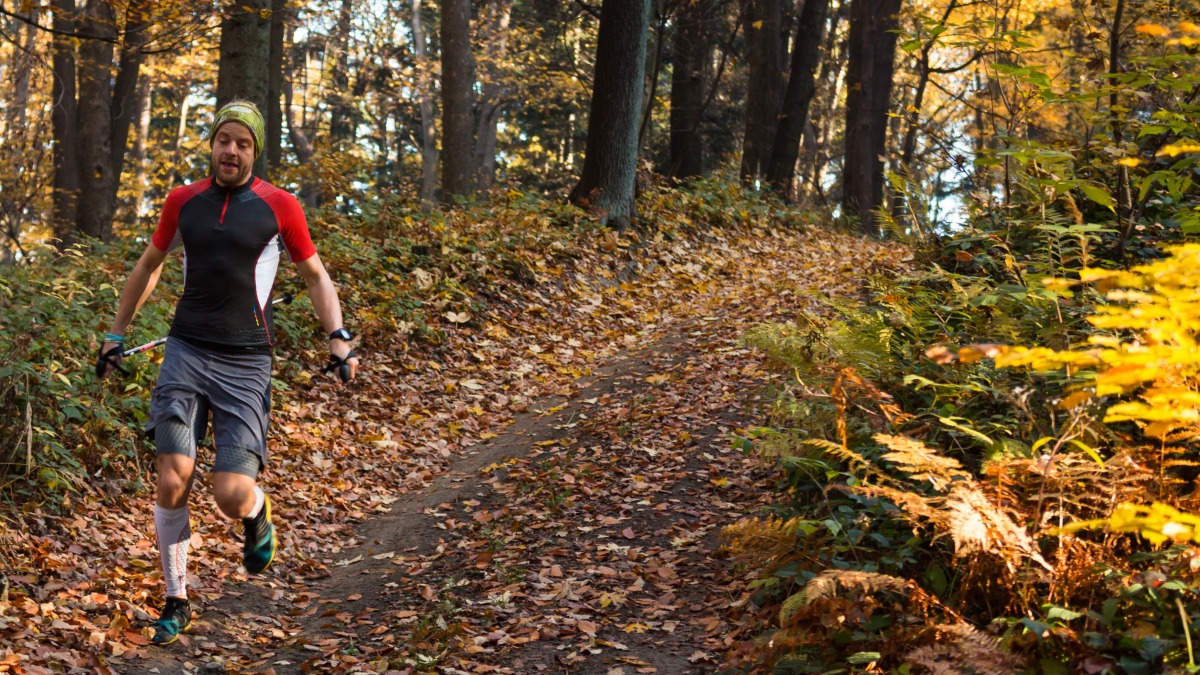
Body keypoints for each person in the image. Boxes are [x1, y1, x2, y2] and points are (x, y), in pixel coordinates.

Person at [95, 99, 359, 645]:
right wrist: (115, 333)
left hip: (245, 362)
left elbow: (315, 275)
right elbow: (149, 265)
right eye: (223, 141)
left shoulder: (278, 206)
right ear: (211, 145)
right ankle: (176, 599)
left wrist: (338, 338)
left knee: (231, 493)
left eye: (241, 142)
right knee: (172, 477)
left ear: (254, 149)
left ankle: (257, 512)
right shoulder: (183, 201)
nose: (230, 151)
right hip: (186, 352)